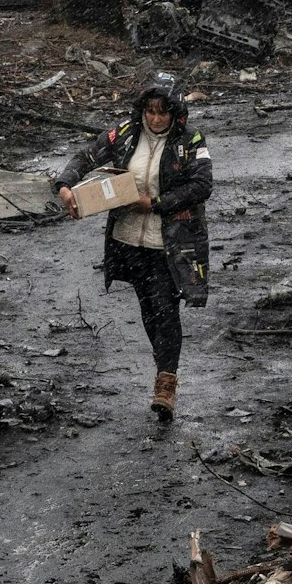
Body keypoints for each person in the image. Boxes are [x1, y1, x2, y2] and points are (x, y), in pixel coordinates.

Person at [55, 80, 212, 421]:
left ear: (175, 113)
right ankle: (164, 366)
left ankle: (166, 383)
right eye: (150, 112)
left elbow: (201, 185)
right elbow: (87, 156)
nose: (155, 119)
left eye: (162, 113)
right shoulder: (125, 134)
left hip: (168, 243)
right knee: (149, 310)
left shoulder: (190, 141)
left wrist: (154, 203)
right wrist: (66, 185)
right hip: (128, 240)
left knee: (165, 308)